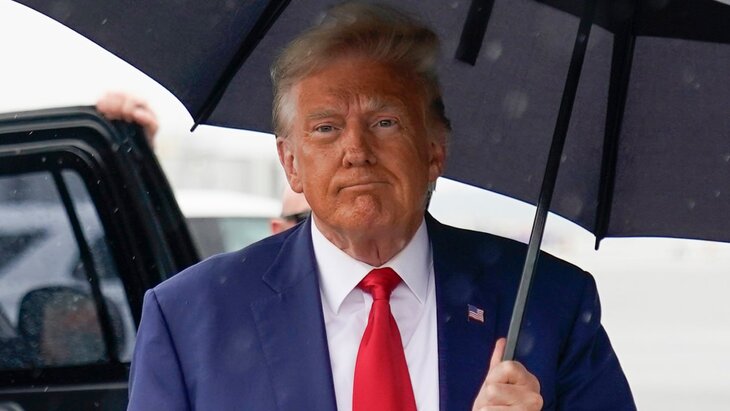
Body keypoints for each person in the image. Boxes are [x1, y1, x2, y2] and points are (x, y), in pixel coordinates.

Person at [127, 3, 635, 411]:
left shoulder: (550, 302)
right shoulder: (189, 318)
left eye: (385, 122)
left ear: (434, 150)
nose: (356, 150)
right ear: (291, 164)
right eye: (326, 127)